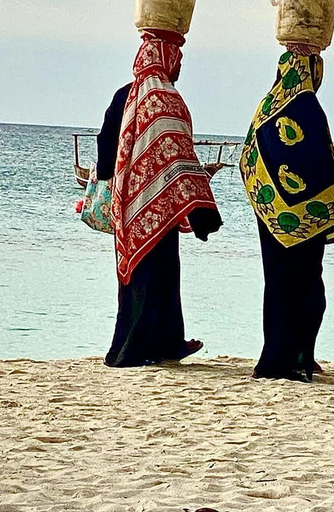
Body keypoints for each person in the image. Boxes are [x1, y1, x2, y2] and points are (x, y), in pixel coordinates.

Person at [239, 46, 334, 382]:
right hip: (298, 219)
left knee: (280, 286)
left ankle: (289, 355)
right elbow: (319, 161)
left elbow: (250, 158)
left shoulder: (267, 106)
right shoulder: (304, 104)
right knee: (303, 288)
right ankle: (283, 361)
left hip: (273, 213)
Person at [100, 29, 222, 368]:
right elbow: (179, 152)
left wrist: (118, 181)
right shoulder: (167, 99)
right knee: (158, 276)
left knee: (137, 277)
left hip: (128, 203)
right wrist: (197, 203)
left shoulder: (123, 95)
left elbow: (105, 143)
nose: (178, 65)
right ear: (165, 58)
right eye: (176, 58)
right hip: (161, 204)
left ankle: (154, 343)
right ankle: (139, 349)